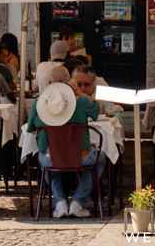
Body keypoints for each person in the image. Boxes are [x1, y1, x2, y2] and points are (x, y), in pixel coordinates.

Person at [28, 79, 102, 218]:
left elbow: (30, 127)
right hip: (81, 156)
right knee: (101, 159)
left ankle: (60, 202)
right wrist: (81, 93)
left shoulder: (39, 103)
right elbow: (96, 112)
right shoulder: (81, 102)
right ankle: (77, 201)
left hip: (50, 157)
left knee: (50, 166)